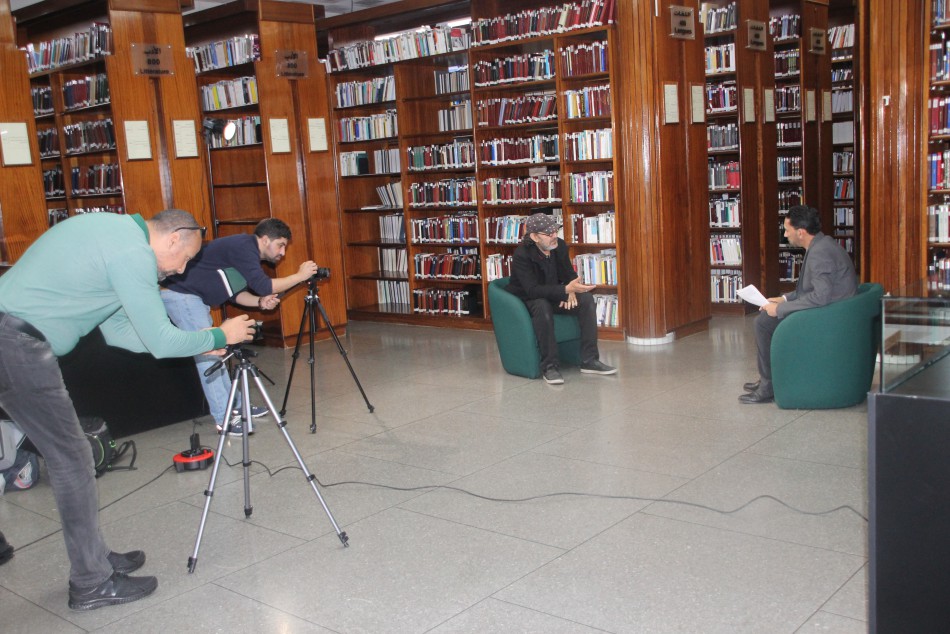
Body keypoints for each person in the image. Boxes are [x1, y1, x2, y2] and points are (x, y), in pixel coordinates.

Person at [0, 209, 255, 610]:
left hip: (12, 341)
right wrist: (222, 332)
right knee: (72, 459)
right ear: (173, 239)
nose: (179, 272)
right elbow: (159, 341)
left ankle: (95, 560)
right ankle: (90, 582)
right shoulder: (132, 254)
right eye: (185, 260)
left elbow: (125, 335)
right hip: (15, 346)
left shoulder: (117, 237)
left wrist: (203, 343)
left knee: (73, 457)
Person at [161, 218, 319, 434]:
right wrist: (299, 277)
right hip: (182, 295)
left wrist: (260, 302)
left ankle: (236, 407)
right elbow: (264, 285)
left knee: (217, 352)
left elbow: (235, 293)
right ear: (265, 240)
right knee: (208, 354)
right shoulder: (245, 247)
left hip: (191, 297)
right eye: (280, 245)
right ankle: (224, 417)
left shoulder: (244, 251)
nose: (283, 252)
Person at [740, 204, 858, 404]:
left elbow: (820, 297)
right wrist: (784, 299)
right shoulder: (822, 243)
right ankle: (769, 379)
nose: (785, 235)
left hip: (828, 316)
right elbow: (812, 290)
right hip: (831, 309)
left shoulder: (820, 253)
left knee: (764, 323)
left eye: (787, 230)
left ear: (801, 232)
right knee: (766, 319)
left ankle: (768, 386)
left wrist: (779, 309)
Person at [505, 212, 617, 384]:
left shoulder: (560, 246)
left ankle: (590, 360)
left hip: (555, 293)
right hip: (529, 299)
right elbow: (532, 290)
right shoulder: (522, 255)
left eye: (556, 231)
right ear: (534, 236)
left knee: (586, 300)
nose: (554, 236)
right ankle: (550, 366)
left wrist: (572, 290)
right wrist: (564, 290)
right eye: (549, 234)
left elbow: (568, 274)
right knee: (542, 306)